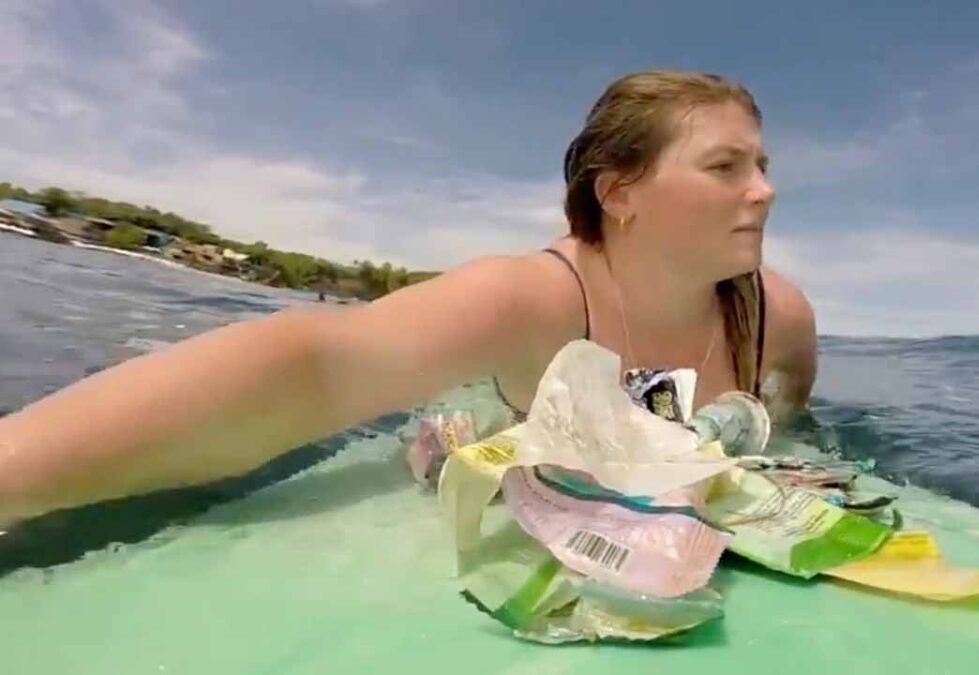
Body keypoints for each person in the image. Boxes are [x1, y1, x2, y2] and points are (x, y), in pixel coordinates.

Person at [0, 69, 817, 527]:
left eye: (763, 166)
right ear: (620, 193)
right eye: (726, 167)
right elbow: (316, 366)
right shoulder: (528, 298)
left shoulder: (777, 321)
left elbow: (791, 432)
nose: (765, 191)